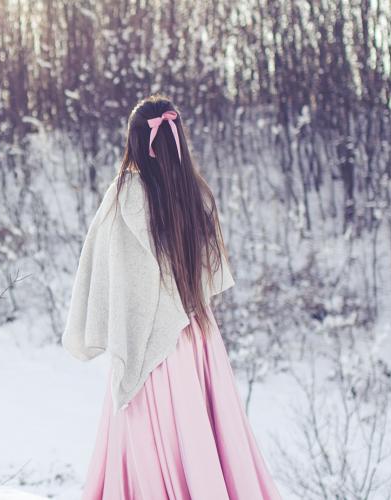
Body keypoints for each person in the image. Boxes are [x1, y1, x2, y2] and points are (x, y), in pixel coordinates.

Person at [63, 95, 283, 499]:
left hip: (149, 344)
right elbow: (208, 277)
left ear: (133, 143)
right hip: (197, 338)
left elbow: (100, 267)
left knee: (154, 443)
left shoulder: (126, 196)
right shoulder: (196, 194)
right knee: (200, 442)